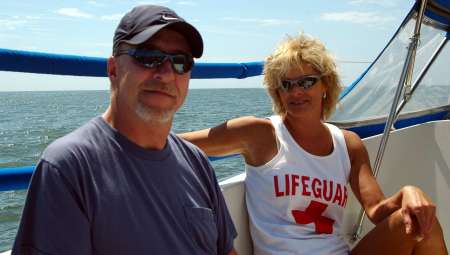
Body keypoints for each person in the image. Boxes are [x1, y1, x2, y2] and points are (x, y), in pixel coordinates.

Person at [180, 33, 448, 254]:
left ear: (325, 86)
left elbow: (377, 211)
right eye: (287, 84)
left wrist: (409, 193)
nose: (296, 91)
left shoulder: (349, 144)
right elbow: (176, 144)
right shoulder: (259, 134)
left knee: (423, 222)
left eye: (307, 81)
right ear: (277, 91)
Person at [12, 5, 237, 255]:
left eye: (180, 62)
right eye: (148, 57)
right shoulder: (69, 167)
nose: (165, 73)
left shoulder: (196, 162)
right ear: (113, 70)